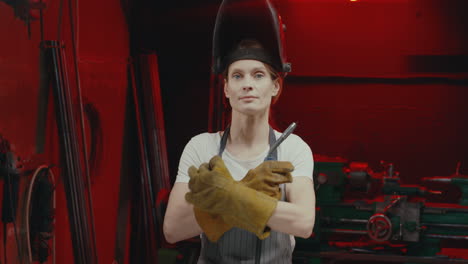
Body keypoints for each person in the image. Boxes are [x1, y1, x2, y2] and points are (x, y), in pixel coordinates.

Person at [163, 36, 316, 262]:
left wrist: (226, 196)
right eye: (237, 76)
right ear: (226, 88)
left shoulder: (293, 148)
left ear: (275, 86)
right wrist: (246, 191)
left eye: (258, 75)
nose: (247, 83)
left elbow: (303, 223)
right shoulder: (202, 147)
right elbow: (173, 229)